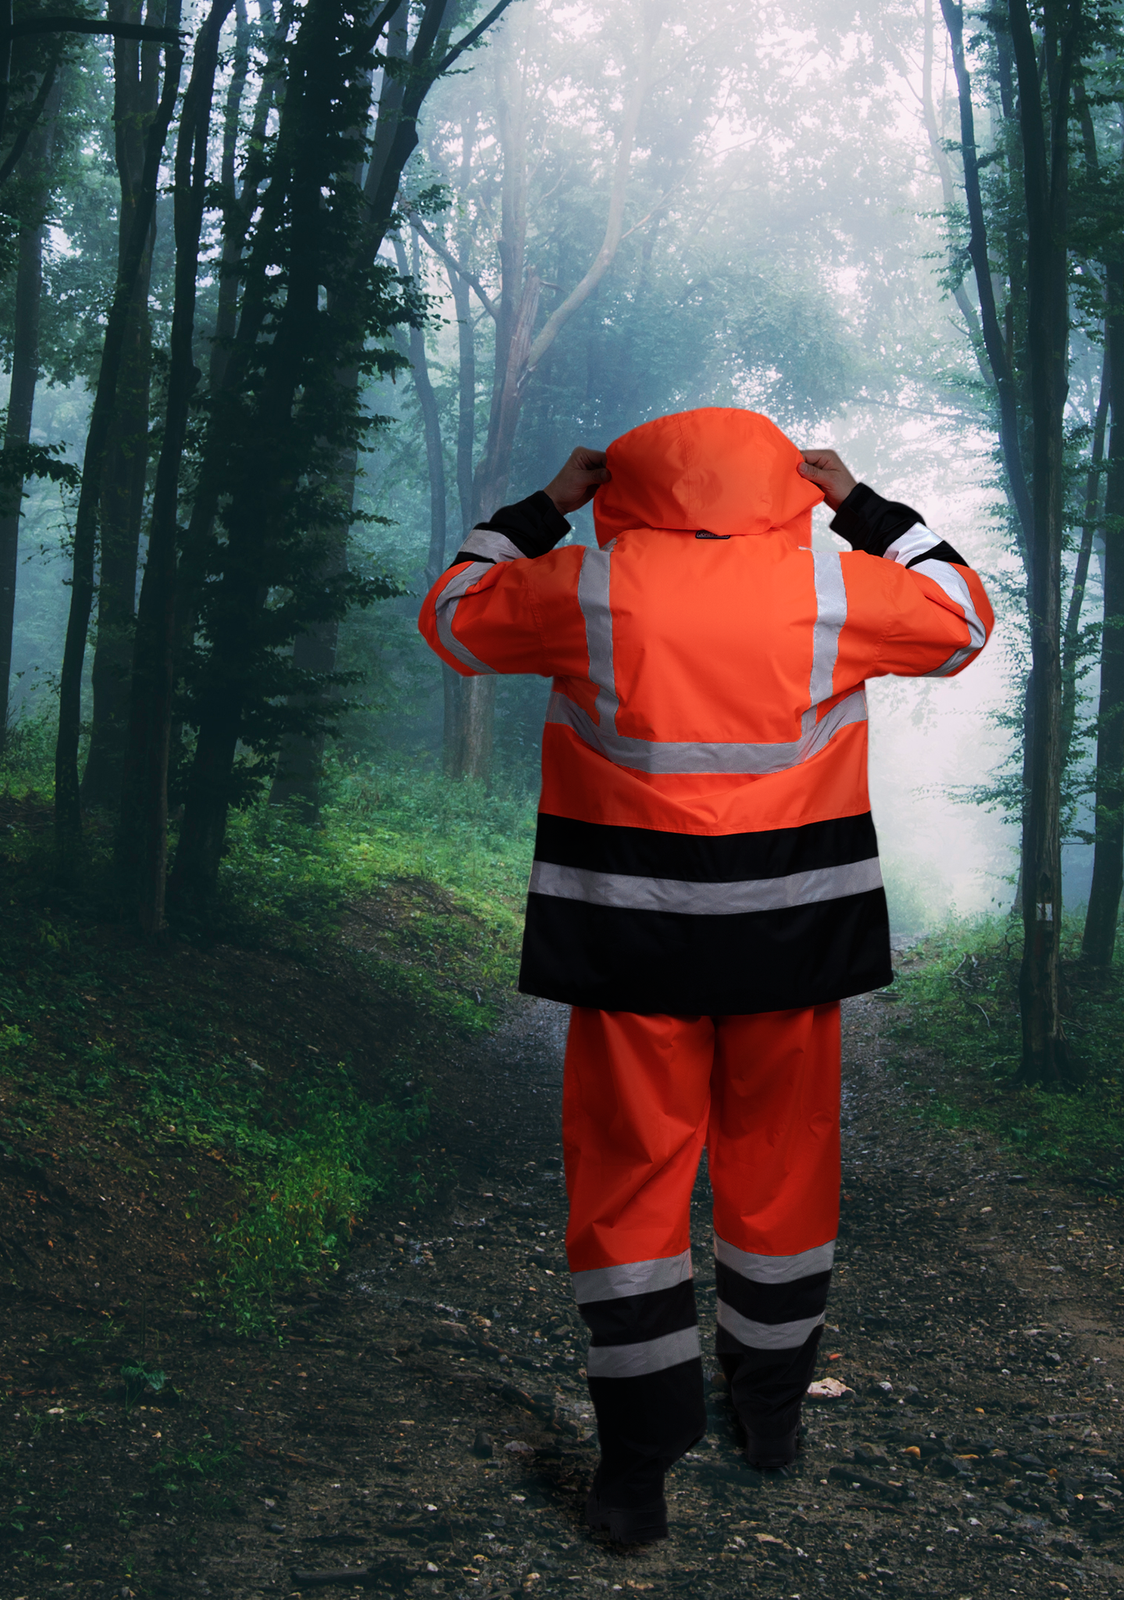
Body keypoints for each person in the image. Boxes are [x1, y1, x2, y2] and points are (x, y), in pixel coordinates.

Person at [418, 406, 994, 1544]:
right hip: (792, 939)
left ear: (630, 480)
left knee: (631, 1183)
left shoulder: (585, 585)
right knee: (780, 1177)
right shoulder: (832, 589)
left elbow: (448, 619)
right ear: (778, 481)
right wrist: (861, 507)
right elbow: (966, 618)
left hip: (633, 941)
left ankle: (636, 1467)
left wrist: (546, 506)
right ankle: (770, 1415)